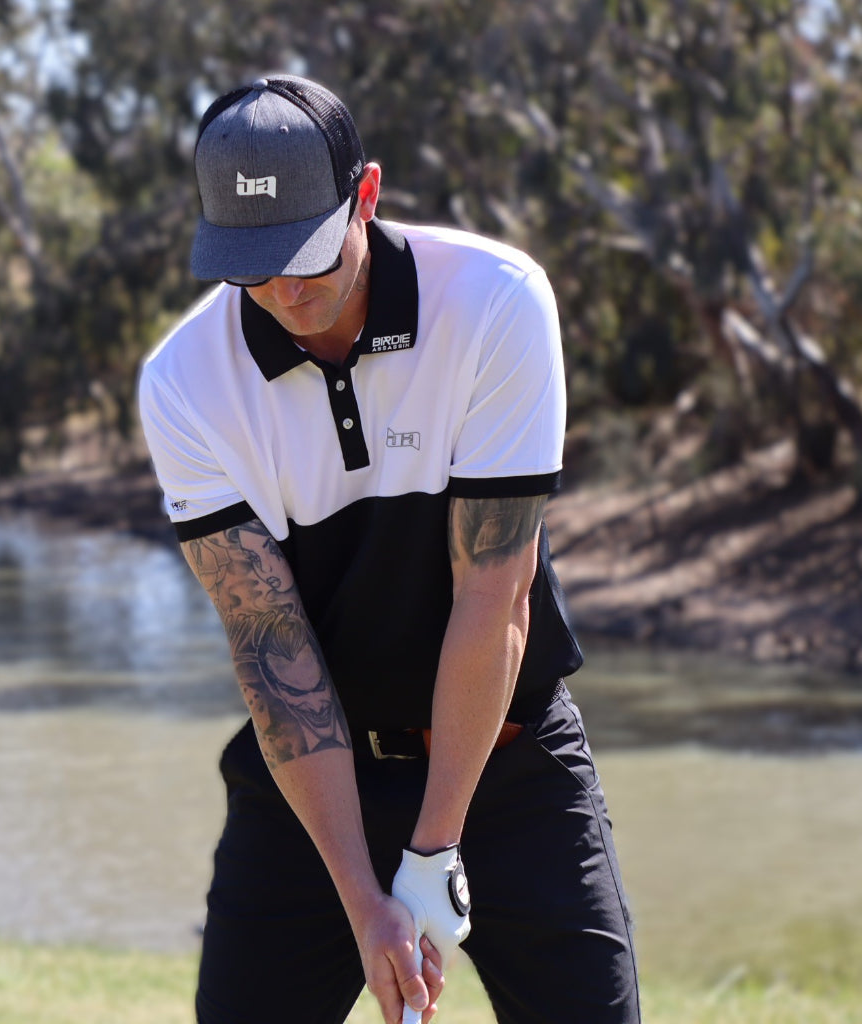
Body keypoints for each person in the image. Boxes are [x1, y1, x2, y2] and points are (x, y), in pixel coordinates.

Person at [138, 73, 640, 1024]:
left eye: (309, 255)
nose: (286, 291)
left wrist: (433, 849)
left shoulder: (494, 302)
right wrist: (364, 899)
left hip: (509, 762)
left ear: (365, 194)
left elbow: (495, 594)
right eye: (253, 265)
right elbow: (269, 645)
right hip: (315, 787)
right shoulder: (186, 382)